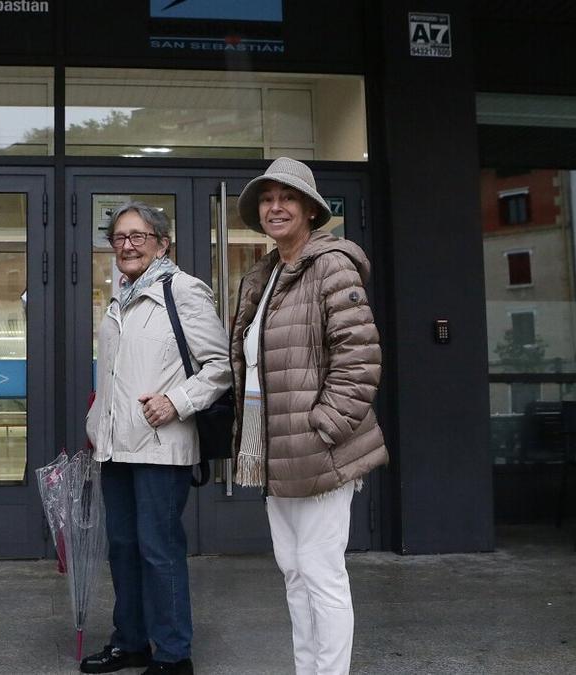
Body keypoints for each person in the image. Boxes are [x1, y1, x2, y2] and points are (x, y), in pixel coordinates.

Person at [230, 157, 388, 675]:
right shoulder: (267, 272)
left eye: (287, 198)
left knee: (321, 572)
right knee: (294, 573)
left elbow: (359, 358)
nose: (275, 207)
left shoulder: (331, 265)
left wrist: (325, 427)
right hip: (277, 448)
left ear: (310, 211)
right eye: (267, 198)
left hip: (317, 447)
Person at [82, 202, 232, 675]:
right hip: (114, 446)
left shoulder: (184, 291)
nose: (126, 245)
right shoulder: (119, 296)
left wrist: (176, 402)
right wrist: (96, 424)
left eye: (138, 236)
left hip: (161, 447)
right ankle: (130, 643)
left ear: (162, 243)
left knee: (158, 549)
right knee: (123, 548)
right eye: (119, 237)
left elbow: (222, 366)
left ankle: (172, 655)